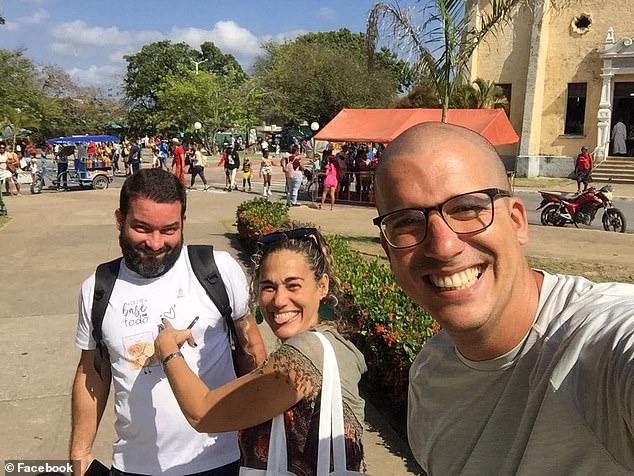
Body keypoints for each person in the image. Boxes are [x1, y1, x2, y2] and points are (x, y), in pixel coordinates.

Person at [373, 122, 634, 475]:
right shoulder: (429, 376)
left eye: (466, 208)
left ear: (516, 222)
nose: (443, 246)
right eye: (406, 222)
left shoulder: (598, 345)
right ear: (389, 253)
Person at [70, 168, 267, 476]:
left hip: (222, 461)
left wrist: (261, 436)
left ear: (183, 223)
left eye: (169, 230)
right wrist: (79, 453)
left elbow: (251, 348)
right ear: (119, 220)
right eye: (142, 228)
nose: (156, 242)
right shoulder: (97, 287)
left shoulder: (219, 271)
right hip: (134, 467)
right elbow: (91, 373)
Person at [154, 227, 366, 475]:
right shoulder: (334, 344)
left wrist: (168, 350)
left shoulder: (306, 353)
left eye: (293, 285)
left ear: (322, 286)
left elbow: (203, 413)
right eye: (268, 287)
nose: (278, 300)